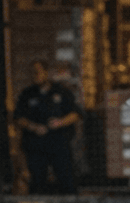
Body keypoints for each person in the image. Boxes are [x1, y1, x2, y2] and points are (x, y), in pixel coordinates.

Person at [13, 59, 81, 194]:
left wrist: (60, 122)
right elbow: (18, 119)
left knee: (66, 180)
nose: (35, 76)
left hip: (58, 143)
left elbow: (75, 114)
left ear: (47, 73)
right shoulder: (27, 94)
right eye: (32, 73)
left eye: (37, 72)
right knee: (37, 182)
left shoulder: (61, 91)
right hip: (36, 146)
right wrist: (33, 127)